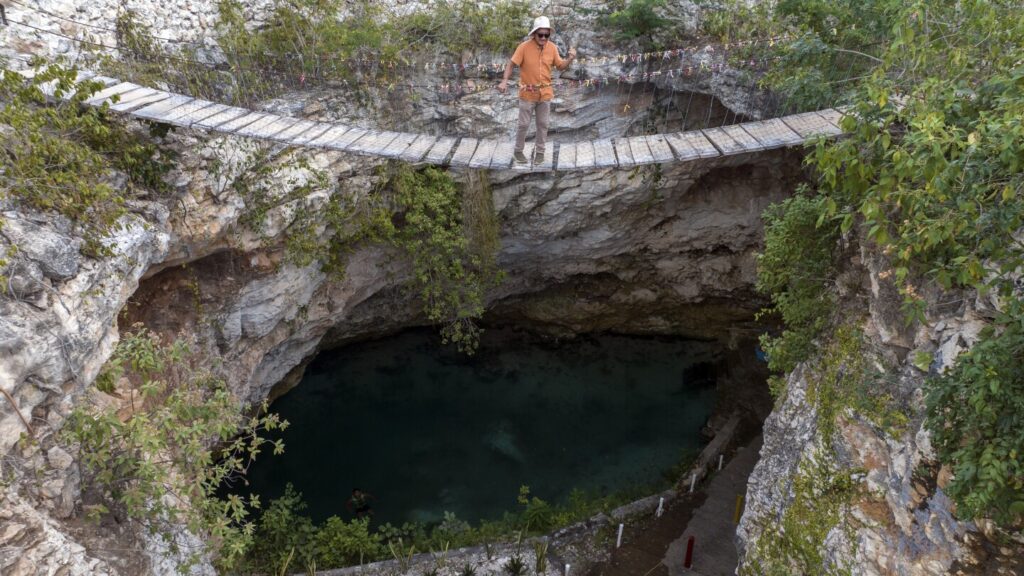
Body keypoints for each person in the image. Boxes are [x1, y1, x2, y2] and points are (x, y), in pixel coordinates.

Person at [498, 16, 577, 164]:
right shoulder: (523, 47)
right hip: (527, 94)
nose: (543, 38)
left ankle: (540, 152)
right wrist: (504, 81)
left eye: (546, 35)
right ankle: (518, 151)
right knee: (523, 124)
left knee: (543, 124)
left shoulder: (552, 47)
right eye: (540, 34)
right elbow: (511, 64)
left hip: (545, 94)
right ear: (534, 34)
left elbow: (560, 66)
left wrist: (570, 59)